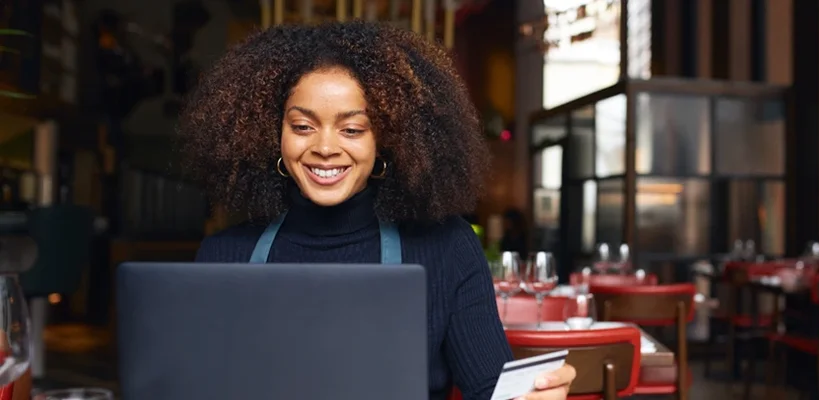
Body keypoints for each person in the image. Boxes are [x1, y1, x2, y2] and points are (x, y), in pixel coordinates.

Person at [179, 22, 575, 400]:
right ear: (272, 133)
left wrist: (532, 392)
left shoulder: (448, 249)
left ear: (388, 138)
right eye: (302, 127)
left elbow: (489, 390)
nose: (325, 147)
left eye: (352, 129)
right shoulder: (223, 256)